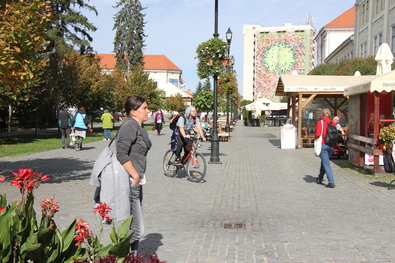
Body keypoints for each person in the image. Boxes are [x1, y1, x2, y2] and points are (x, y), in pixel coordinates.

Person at [116, 95, 152, 256]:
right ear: (133, 111)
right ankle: (125, 257)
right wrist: (135, 176)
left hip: (136, 181)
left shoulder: (138, 127)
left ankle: (132, 258)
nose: (147, 110)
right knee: (137, 229)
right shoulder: (129, 126)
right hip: (130, 181)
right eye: (144, 108)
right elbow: (121, 154)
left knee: (133, 226)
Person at [315, 108, 337, 188]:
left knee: (326, 163)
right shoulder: (332, 123)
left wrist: (315, 138)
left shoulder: (320, 122)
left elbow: (318, 134)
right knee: (324, 162)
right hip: (332, 144)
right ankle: (319, 179)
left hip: (323, 144)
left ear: (322, 115)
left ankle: (331, 181)